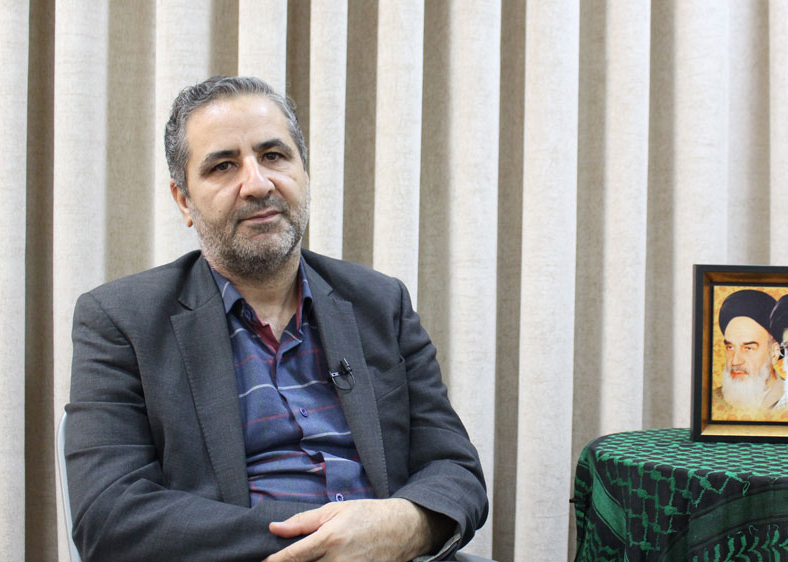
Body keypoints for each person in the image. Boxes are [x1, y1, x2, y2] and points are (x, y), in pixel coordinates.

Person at [64, 76, 488, 562]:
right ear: (184, 201)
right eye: (223, 166)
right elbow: (109, 515)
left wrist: (402, 525)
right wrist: (329, 544)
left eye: (273, 156)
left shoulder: (380, 303)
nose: (258, 184)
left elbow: (455, 469)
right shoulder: (121, 321)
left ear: (304, 174)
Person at [713, 289, 784, 414]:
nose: (735, 361)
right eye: (730, 347)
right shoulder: (713, 400)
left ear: (774, 353)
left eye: (748, 348)